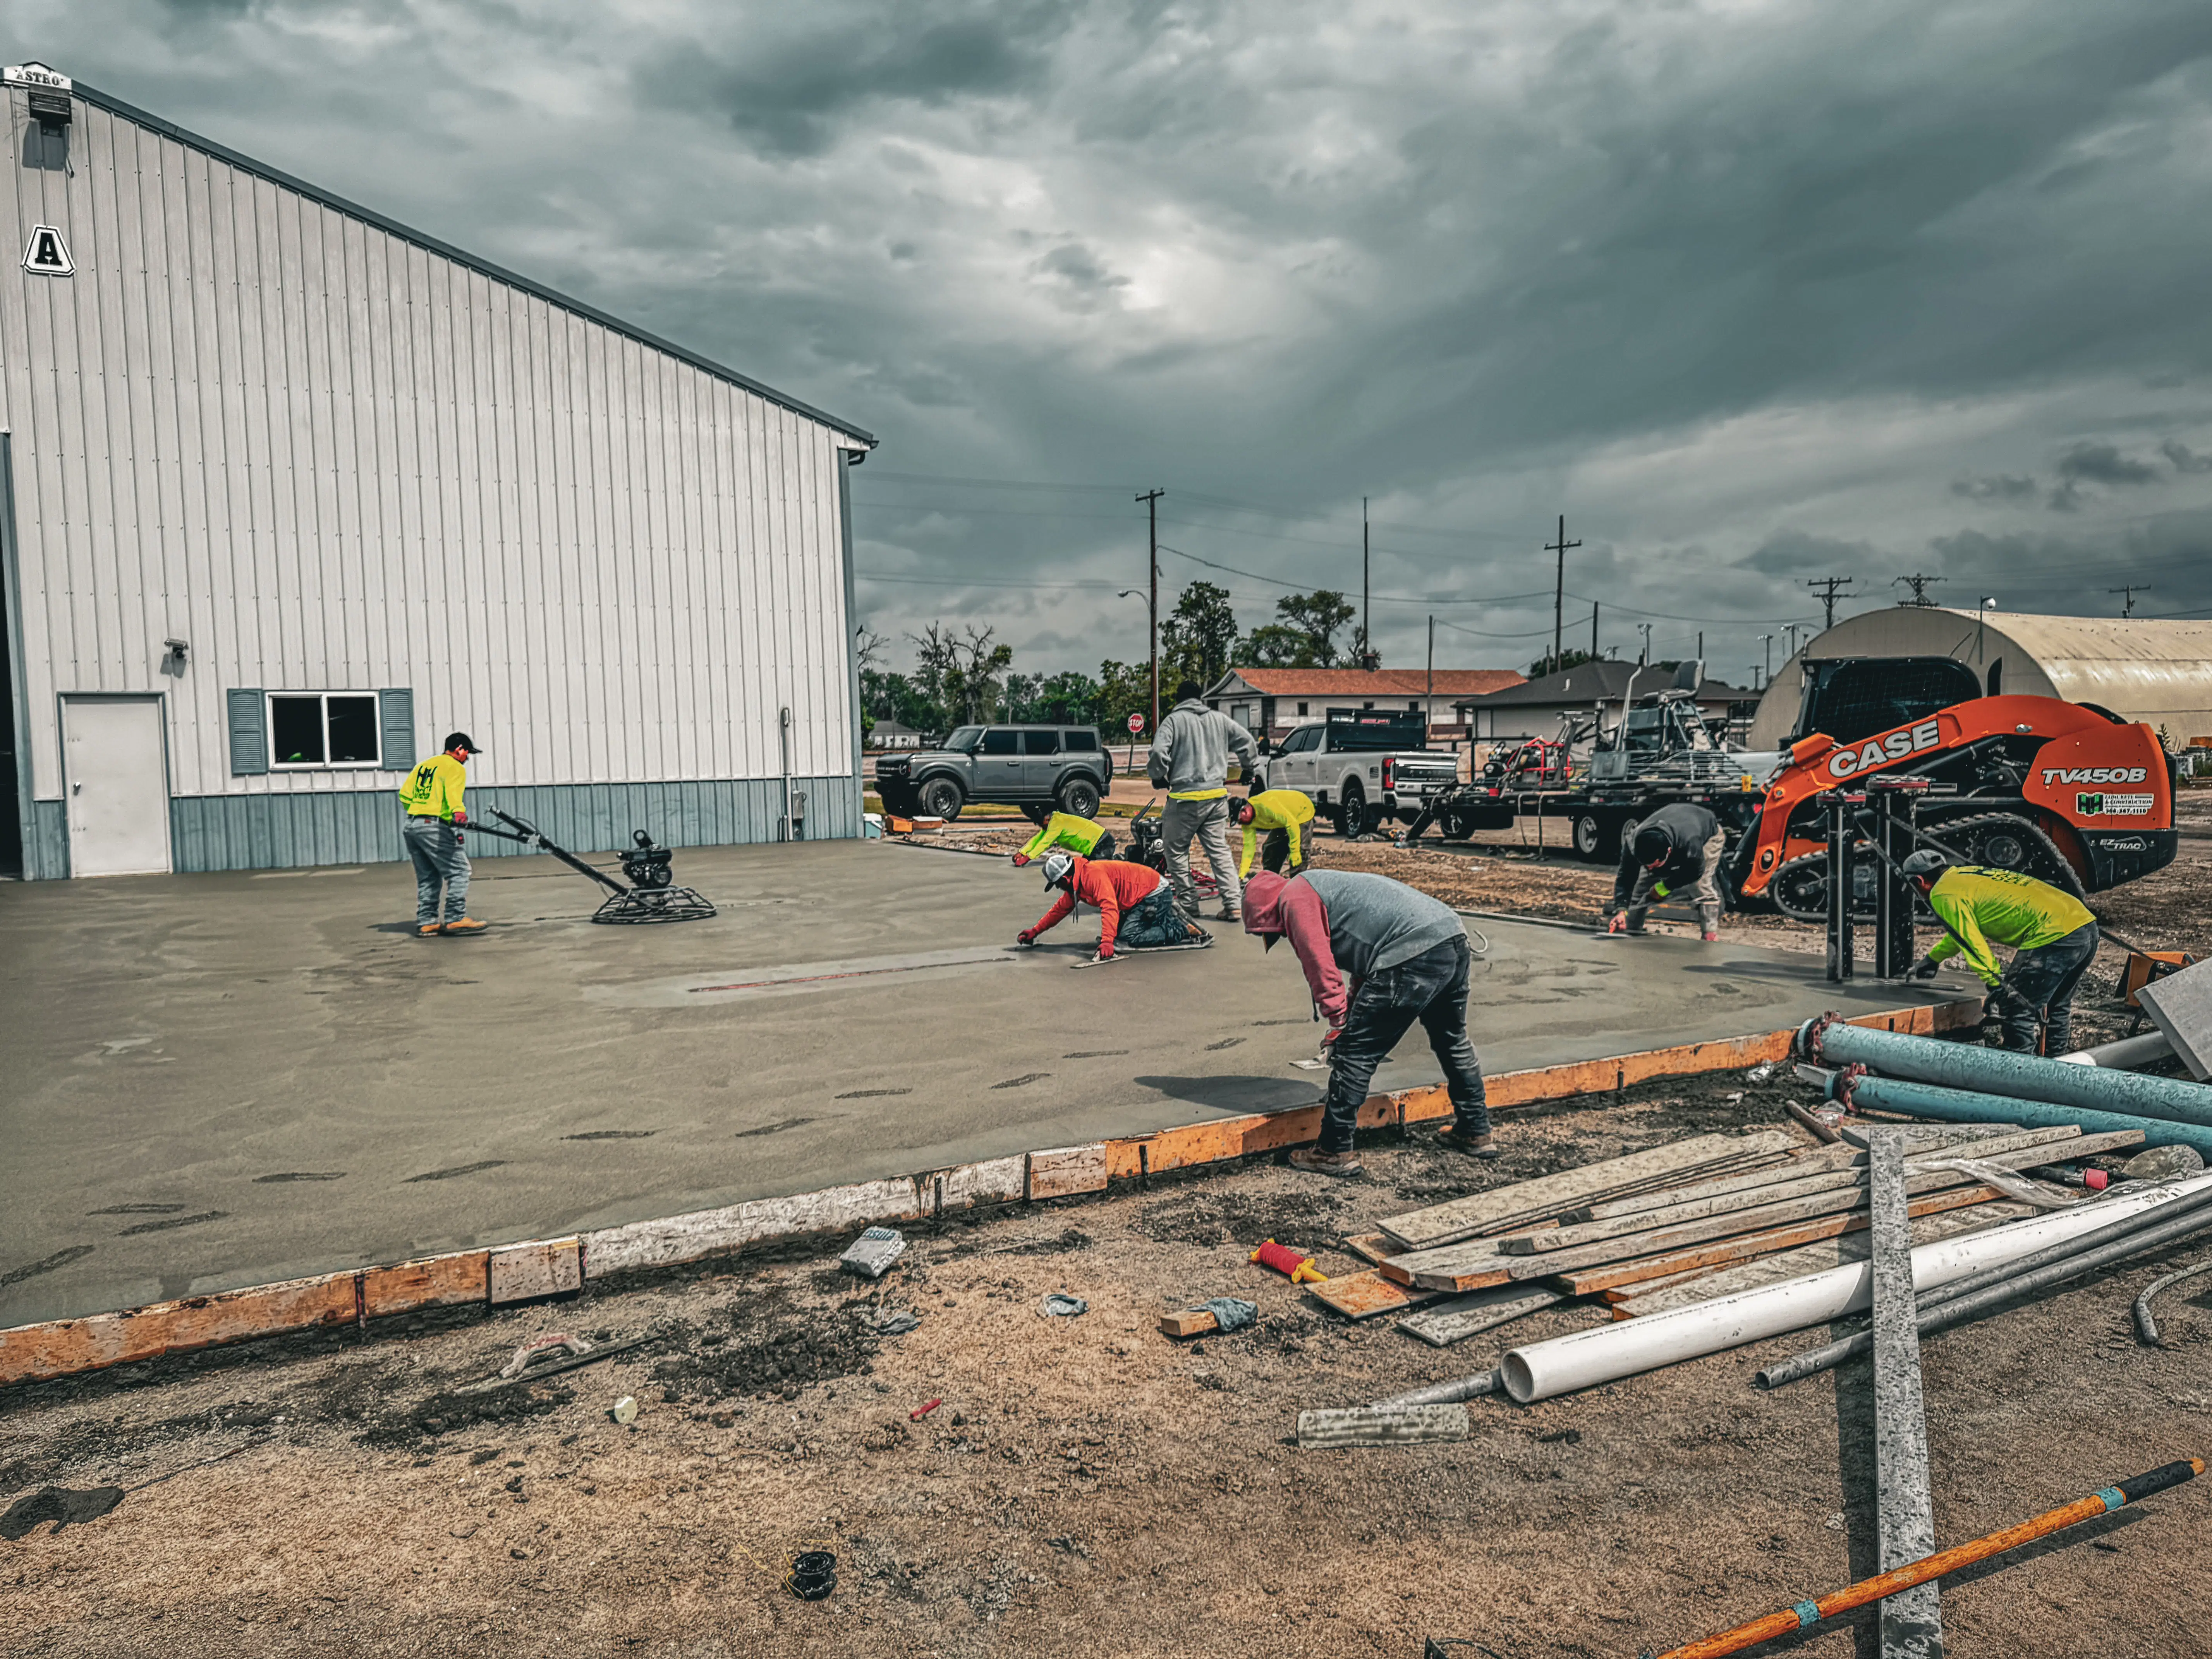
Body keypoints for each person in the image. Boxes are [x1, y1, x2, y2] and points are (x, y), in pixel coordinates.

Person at [1243, 868, 1494, 1176]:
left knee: (1355, 1054)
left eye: (1270, 931)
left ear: (1264, 911)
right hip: (1450, 937)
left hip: (1414, 950)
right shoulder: (1325, 888)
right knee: (1451, 1038)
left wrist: (1339, 1024)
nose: (1280, 935)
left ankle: (1333, 1150)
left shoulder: (1295, 898)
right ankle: (1476, 1130)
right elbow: (1368, 965)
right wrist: (1349, 1014)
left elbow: (1320, 967)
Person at [1901, 850, 2100, 1055]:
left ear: (1919, 881)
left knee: (2016, 1008)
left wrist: (1995, 983)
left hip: (2054, 933)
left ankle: (2017, 1075)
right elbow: (1961, 932)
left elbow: (1970, 941)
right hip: (2083, 924)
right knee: (2057, 1005)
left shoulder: (1942, 893)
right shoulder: (1965, 876)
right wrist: (1933, 959)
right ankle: (2058, 1069)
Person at [1147, 681, 1259, 921]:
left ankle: (1189, 905)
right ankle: (1233, 905)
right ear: (1200, 699)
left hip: (1184, 800)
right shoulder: (1219, 720)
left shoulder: (1173, 722)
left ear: (1179, 699)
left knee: (1176, 852)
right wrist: (1249, 769)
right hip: (1217, 798)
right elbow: (1247, 741)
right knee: (1219, 851)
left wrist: (1158, 776)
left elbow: (1158, 752)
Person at [1018, 849, 1208, 961]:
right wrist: (1036, 931)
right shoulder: (1076, 884)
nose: (1059, 888)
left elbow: (1109, 907)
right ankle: (1164, 916)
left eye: (1058, 884)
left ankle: (1180, 929)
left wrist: (1107, 941)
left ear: (1066, 878)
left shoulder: (1092, 876)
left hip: (1153, 893)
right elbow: (1060, 910)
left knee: (1129, 937)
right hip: (1137, 897)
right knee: (1118, 935)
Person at [398, 732, 486, 936]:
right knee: (460, 871)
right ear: (459, 750)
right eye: (467, 753)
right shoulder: (454, 767)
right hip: (433, 825)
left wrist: (419, 809)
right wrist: (458, 811)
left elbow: (405, 794)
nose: (467, 758)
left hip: (412, 825)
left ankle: (427, 921)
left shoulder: (424, 766)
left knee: (429, 876)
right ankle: (456, 918)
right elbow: (453, 792)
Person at [1607, 802, 1725, 941]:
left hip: (1707, 836)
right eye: (1646, 865)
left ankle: (1710, 935)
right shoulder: (1633, 843)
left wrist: (1663, 888)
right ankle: (1631, 930)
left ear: (1669, 852)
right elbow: (1626, 878)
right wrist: (1621, 909)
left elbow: (1695, 872)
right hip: (1674, 828)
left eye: (1654, 865)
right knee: (1640, 889)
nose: (1650, 870)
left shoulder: (1690, 844)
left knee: (1700, 886)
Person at [1234, 789, 1314, 878]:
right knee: (1270, 848)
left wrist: (1295, 851)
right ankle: (1271, 879)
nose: (1240, 823)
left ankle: (1298, 883)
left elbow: (1292, 824)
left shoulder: (1267, 805)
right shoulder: (1247, 823)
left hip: (1302, 810)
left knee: (1301, 850)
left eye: (1239, 820)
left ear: (1245, 811)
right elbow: (1249, 848)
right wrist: (1243, 873)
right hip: (1283, 818)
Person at [1012, 810, 1116, 867]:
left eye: (1041, 824)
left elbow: (1045, 843)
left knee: (1097, 872)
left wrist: (1027, 858)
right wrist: (1022, 852)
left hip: (1102, 844)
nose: (1041, 828)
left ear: (1047, 819)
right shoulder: (1053, 822)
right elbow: (1038, 839)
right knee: (1084, 871)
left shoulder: (1057, 824)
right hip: (1095, 846)